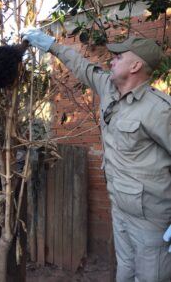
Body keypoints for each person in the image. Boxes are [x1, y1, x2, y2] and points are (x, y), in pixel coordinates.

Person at [22, 28, 171, 282]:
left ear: (135, 66)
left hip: (151, 218)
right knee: (124, 270)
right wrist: (51, 46)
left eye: (119, 57)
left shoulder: (159, 110)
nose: (110, 60)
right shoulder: (109, 88)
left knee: (151, 277)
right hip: (121, 208)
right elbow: (82, 66)